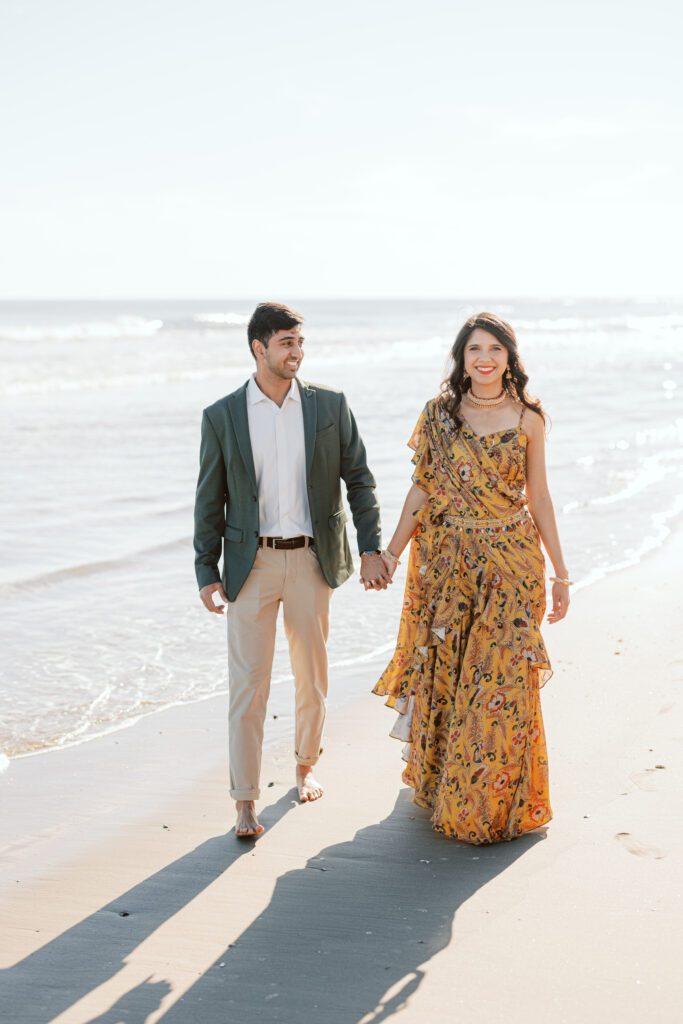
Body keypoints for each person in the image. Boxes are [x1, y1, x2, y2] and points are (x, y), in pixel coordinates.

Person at [374, 312, 570, 845]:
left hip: (513, 566)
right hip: (451, 566)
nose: (484, 358)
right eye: (474, 350)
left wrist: (561, 574)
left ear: (510, 357)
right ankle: (451, 789)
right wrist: (390, 553)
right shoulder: (439, 416)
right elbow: (422, 492)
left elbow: (541, 498)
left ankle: (494, 803)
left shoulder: (529, 418)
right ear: (462, 359)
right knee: (454, 675)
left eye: (495, 349)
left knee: (499, 685)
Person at [194, 302, 389, 838]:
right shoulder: (223, 415)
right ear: (259, 348)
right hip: (249, 564)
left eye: (300, 342)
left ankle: (306, 768)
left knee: (312, 676)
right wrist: (205, 571)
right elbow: (209, 499)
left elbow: (361, 480)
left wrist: (372, 547)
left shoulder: (329, 406)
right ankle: (245, 801)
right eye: (285, 343)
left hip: (311, 558)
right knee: (248, 687)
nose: (296, 352)